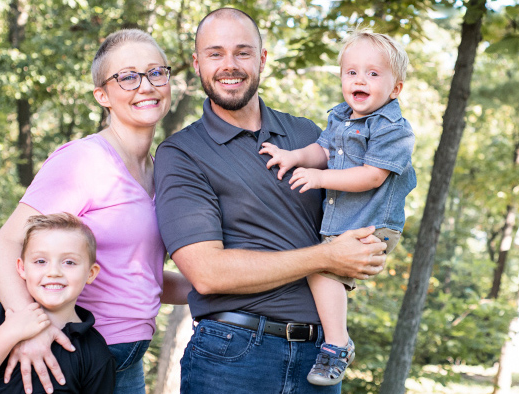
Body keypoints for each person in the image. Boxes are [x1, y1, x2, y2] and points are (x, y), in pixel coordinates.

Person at [154, 8, 388, 393]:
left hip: (321, 357)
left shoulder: (309, 135)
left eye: (243, 52)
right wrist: (327, 257)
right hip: (233, 357)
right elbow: (207, 273)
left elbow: (351, 213)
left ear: (262, 59)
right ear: (197, 64)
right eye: (215, 54)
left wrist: (368, 243)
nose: (230, 65)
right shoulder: (182, 153)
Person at [0, 29, 190, 394]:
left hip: (128, 359)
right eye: (127, 77)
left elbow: (141, 276)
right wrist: (28, 329)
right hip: (73, 353)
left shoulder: (161, 173)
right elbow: (6, 245)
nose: (145, 86)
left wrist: (225, 286)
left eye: (156, 72)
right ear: (103, 96)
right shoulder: (83, 161)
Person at [258, 27, 417, 385]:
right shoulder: (341, 117)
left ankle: (336, 343)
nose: (360, 79)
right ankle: (335, 339)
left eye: (373, 74)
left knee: (321, 268)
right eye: (352, 72)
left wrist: (319, 179)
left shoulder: (395, 129)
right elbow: (323, 150)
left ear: (395, 89)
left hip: (373, 223)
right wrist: (293, 157)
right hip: (345, 219)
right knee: (319, 266)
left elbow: (372, 177)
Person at [0, 213, 115, 394]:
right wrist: (11, 331)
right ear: (22, 268)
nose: (54, 272)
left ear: (91, 273)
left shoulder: (95, 352)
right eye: (41, 261)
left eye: (69, 262)